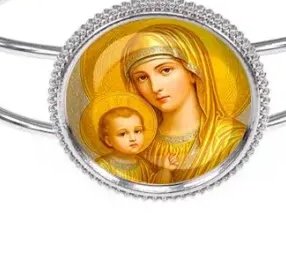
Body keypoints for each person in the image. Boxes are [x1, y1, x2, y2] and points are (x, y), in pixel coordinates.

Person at [120, 24, 247, 182]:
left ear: (192, 72)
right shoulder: (137, 144)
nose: (155, 87)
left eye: (166, 70)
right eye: (142, 77)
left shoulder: (230, 139)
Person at [95, 106, 178, 183]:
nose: (133, 138)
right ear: (109, 141)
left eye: (137, 131)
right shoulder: (102, 166)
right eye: (123, 134)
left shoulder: (143, 165)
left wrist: (166, 170)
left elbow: (153, 185)